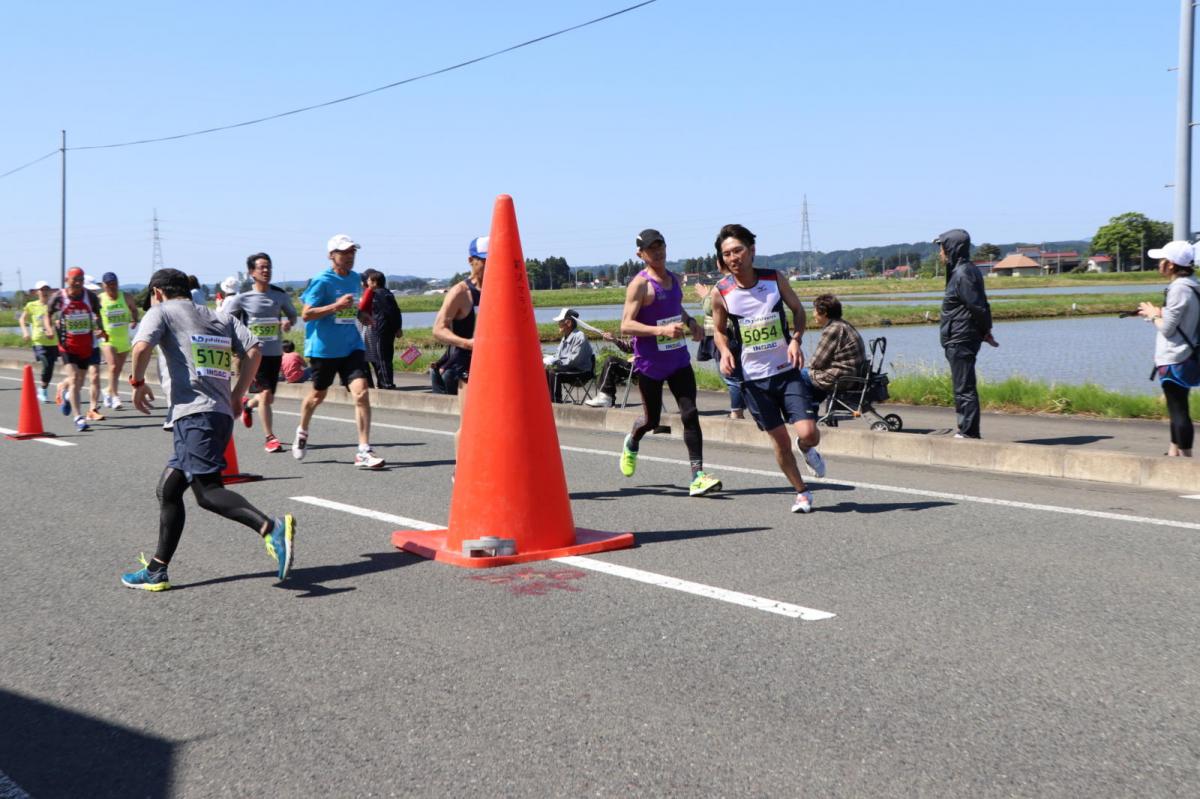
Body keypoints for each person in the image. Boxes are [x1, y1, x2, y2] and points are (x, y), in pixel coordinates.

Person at [120, 268, 295, 591]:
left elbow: (141, 347)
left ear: (157, 292)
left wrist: (138, 382)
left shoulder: (161, 312)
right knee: (169, 490)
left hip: (194, 416)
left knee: (208, 492)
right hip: (218, 415)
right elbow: (254, 349)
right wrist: (237, 395)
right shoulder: (218, 316)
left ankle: (269, 528)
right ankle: (157, 569)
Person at [710, 223, 826, 513]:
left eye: (738, 250)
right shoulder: (721, 291)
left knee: (808, 432)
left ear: (751, 251)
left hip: (786, 372)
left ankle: (808, 448)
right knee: (780, 440)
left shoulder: (774, 279)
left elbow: (798, 311)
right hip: (754, 381)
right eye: (727, 254)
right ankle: (802, 492)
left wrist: (796, 339)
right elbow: (719, 330)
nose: (733, 257)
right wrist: (724, 351)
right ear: (722, 259)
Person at [618, 228, 721, 497]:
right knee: (652, 420)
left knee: (690, 413)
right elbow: (625, 325)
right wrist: (660, 331)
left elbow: (676, 309)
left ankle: (697, 476)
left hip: (677, 359)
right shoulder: (639, 285)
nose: (658, 251)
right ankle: (633, 439)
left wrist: (691, 322)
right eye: (651, 248)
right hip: (650, 362)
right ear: (640, 254)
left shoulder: (675, 279)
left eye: (661, 245)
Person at [292, 234, 384, 468]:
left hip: (351, 345)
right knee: (317, 396)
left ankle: (363, 450)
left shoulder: (355, 279)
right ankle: (302, 430)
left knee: (362, 392)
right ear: (331, 255)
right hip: (323, 349)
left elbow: (349, 310)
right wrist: (336, 306)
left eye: (353, 252)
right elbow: (306, 314)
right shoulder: (322, 281)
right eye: (344, 252)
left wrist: (361, 315)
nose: (350, 256)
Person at [222, 252, 298, 452]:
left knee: (268, 397)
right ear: (251, 272)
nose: (266, 270)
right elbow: (226, 321)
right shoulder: (242, 299)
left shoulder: (279, 295)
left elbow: (292, 315)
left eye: (269, 267)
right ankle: (270, 438)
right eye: (262, 267)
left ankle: (248, 405)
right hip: (254, 355)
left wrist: (288, 322)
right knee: (266, 395)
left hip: (275, 354)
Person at [1138, 240, 1200, 457]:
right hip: (1189, 354)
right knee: (1177, 407)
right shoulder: (1193, 284)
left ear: (1171, 265)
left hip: (1175, 356)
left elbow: (1167, 330)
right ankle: (1172, 452)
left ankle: (1187, 461)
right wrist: (1158, 312)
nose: (1158, 264)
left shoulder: (1179, 289)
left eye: (1161, 260)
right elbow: (1183, 318)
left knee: (1178, 409)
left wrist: (1153, 314)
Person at [936, 228, 998, 439]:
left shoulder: (963, 274)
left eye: (942, 248)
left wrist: (985, 330)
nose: (940, 254)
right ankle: (966, 430)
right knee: (962, 386)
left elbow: (978, 306)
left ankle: (969, 432)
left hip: (961, 338)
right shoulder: (961, 271)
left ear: (952, 248)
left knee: (964, 388)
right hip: (959, 336)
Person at [44, 267, 107, 431]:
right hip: (67, 346)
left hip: (85, 345)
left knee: (79, 382)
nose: (78, 282)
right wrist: (49, 329)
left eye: (81, 279)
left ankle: (66, 396)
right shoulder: (59, 297)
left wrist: (101, 330)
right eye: (75, 279)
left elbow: (98, 315)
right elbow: (47, 314)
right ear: (67, 280)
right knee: (73, 380)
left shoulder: (90, 297)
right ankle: (78, 418)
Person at [432, 236, 486, 404]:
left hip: (494, 364)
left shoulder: (501, 290)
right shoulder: (461, 292)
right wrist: (467, 343)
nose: (492, 265)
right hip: (467, 366)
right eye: (485, 260)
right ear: (471, 260)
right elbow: (438, 329)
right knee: (469, 428)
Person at [800, 294, 866, 414]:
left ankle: (808, 412)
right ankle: (815, 410)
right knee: (809, 375)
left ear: (824, 312)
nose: (813, 314)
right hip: (852, 374)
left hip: (842, 376)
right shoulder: (843, 324)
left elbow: (816, 363)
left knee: (800, 375)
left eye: (814, 310)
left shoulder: (833, 329)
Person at [696, 276, 746, 419]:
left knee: (731, 378)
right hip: (729, 335)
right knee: (736, 376)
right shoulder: (740, 280)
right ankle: (739, 410)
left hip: (725, 335)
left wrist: (706, 296)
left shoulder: (727, 282)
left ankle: (736, 412)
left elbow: (709, 308)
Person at [97, 272, 140, 410]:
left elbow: (134, 310)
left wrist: (134, 319)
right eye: (109, 284)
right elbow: (93, 315)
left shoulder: (126, 297)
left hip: (123, 338)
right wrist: (96, 328)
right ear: (103, 285)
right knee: (113, 367)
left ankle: (107, 390)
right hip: (107, 339)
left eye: (114, 283)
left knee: (117, 370)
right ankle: (115, 397)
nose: (112, 286)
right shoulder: (100, 299)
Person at [360, 269, 403, 389]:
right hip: (383, 330)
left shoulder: (373, 294)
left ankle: (384, 383)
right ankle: (383, 382)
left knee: (379, 359)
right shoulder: (387, 293)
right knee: (382, 358)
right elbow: (395, 312)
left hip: (376, 330)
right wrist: (397, 327)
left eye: (367, 280)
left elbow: (361, 309)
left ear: (373, 282)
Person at [18, 280, 57, 403]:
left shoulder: (54, 305)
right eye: (42, 290)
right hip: (38, 340)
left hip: (53, 341)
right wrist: (25, 332)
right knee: (45, 362)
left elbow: (59, 319)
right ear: (37, 292)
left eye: (47, 289)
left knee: (50, 367)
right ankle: (43, 389)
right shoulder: (31, 305)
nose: (44, 292)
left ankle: (43, 389)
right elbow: (22, 319)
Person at [545, 308, 595, 402]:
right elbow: (558, 355)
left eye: (560, 321)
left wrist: (556, 361)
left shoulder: (580, 337)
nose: (558, 324)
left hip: (582, 371)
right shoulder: (565, 337)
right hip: (570, 369)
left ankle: (555, 401)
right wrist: (548, 359)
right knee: (545, 371)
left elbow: (574, 360)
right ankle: (547, 400)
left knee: (554, 373)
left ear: (569, 323)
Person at [584, 329, 634, 407]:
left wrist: (640, 357)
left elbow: (660, 348)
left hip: (646, 366)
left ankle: (606, 398)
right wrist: (614, 340)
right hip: (638, 364)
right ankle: (606, 397)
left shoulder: (657, 326)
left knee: (611, 361)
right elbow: (629, 348)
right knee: (610, 363)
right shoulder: (639, 329)